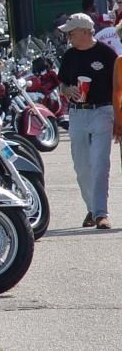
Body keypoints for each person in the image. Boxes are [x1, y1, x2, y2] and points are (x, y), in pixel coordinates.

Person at [57, 13, 117, 229]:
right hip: (77, 112)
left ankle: (101, 213)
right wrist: (68, 90)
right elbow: (62, 84)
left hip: (103, 111)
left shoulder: (107, 54)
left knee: (100, 163)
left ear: (85, 32)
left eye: (71, 33)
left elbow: (118, 86)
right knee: (82, 166)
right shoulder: (70, 55)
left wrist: (118, 118)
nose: (68, 37)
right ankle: (92, 208)